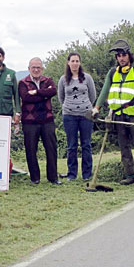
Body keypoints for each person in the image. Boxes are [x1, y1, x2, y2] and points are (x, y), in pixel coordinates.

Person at [92, 39, 134, 188]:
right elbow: (105, 91)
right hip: (118, 115)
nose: (121, 58)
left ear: (129, 56)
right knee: (124, 146)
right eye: (118, 56)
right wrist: (97, 108)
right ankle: (130, 174)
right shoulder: (112, 73)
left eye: (123, 55)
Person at [18, 57, 61, 185]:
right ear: (29, 69)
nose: (36, 69)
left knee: (51, 149)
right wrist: (44, 94)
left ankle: (53, 177)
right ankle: (35, 177)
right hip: (29, 122)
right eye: (33, 67)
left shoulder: (48, 80)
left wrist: (36, 92)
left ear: (42, 68)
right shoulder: (22, 82)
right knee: (31, 149)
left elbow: (53, 91)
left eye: (38, 67)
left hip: (47, 120)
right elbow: (26, 97)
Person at [58, 52, 96, 181]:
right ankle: (72, 174)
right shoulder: (63, 79)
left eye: (77, 61)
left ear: (80, 63)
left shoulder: (87, 78)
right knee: (71, 145)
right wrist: (70, 106)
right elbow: (61, 97)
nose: (75, 63)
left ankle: (87, 174)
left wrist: (85, 107)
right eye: (72, 61)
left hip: (86, 115)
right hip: (69, 115)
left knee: (86, 144)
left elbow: (93, 95)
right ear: (68, 63)